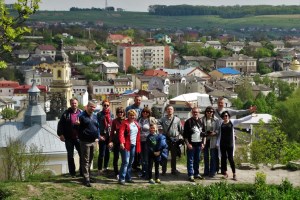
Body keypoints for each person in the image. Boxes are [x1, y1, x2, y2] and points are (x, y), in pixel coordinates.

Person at [214, 97, 257, 174]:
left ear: (224, 104)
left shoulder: (229, 112)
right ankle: (219, 170)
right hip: (219, 136)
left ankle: (230, 172)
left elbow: (238, 112)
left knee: (229, 157)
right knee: (220, 156)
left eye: (222, 103)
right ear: (217, 103)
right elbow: (203, 112)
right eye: (219, 103)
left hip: (228, 138)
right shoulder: (214, 111)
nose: (220, 104)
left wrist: (249, 111)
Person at [216, 111, 254, 181]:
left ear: (229, 116)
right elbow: (219, 133)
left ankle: (234, 174)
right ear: (222, 117)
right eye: (224, 116)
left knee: (231, 159)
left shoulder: (232, 122)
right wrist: (217, 143)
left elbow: (241, 120)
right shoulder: (220, 123)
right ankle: (225, 173)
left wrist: (251, 115)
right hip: (222, 144)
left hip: (230, 144)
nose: (225, 117)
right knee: (223, 159)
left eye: (226, 115)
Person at [57, 98, 83, 178]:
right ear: (70, 104)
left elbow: (86, 123)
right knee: (70, 156)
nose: (74, 104)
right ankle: (72, 173)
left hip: (79, 138)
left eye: (75, 103)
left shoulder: (81, 113)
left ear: (77, 104)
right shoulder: (66, 113)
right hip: (69, 138)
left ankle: (82, 172)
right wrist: (60, 134)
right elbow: (60, 124)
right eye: (72, 103)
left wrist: (80, 124)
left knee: (82, 155)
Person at [78, 101, 100, 187]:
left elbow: (97, 127)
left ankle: (89, 176)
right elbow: (77, 127)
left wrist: (97, 136)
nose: (92, 108)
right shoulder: (81, 116)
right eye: (91, 106)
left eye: (94, 107)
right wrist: (76, 125)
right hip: (85, 142)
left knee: (90, 160)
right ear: (87, 107)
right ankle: (86, 178)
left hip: (93, 141)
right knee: (85, 160)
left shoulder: (95, 116)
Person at [158, 104, 183, 175]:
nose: (169, 110)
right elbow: (157, 126)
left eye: (171, 109)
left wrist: (185, 138)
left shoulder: (177, 119)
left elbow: (181, 129)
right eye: (168, 109)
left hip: (175, 140)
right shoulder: (162, 119)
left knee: (174, 156)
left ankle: (173, 170)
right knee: (164, 156)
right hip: (166, 139)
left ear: (173, 110)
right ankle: (163, 170)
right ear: (166, 111)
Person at [118, 109, 141, 185]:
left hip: (133, 145)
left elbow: (138, 134)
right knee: (125, 162)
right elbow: (121, 133)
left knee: (130, 162)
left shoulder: (136, 124)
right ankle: (121, 178)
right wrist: (121, 142)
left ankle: (128, 177)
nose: (132, 116)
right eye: (130, 115)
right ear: (128, 115)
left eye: (133, 115)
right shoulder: (124, 123)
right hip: (126, 145)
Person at [183, 107, 205, 182]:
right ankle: (190, 175)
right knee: (190, 160)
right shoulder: (188, 122)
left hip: (199, 144)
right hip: (191, 144)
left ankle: (196, 173)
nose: (195, 113)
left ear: (199, 113)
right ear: (192, 113)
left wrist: (203, 143)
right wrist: (188, 144)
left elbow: (203, 134)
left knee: (197, 160)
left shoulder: (201, 122)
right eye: (194, 112)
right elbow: (185, 135)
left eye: (197, 112)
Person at [137, 107, 157, 178]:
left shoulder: (151, 120)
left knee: (146, 158)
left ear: (149, 113)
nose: (145, 113)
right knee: (142, 158)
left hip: (148, 141)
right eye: (144, 112)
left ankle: (147, 173)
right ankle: (143, 171)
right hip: (140, 141)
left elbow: (155, 129)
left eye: (147, 112)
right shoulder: (139, 119)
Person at [126, 96, 143, 171]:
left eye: (140, 100)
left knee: (137, 149)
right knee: (130, 150)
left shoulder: (142, 109)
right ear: (134, 100)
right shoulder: (129, 108)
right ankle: (130, 166)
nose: (138, 101)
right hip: (130, 129)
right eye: (137, 100)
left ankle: (136, 165)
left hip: (138, 130)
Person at [97, 100, 114, 175]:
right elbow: (96, 126)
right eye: (104, 105)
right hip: (102, 136)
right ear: (102, 106)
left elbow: (113, 125)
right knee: (101, 153)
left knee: (108, 152)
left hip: (109, 136)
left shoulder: (111, 114)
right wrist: (99, 136)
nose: (106, 107)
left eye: (107, 105)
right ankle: (99, 169)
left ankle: (105, 167)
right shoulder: (99, 114)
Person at [108, 106, 125, 179]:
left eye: (121, 112)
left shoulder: (126, 121)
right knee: (116, 157)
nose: (120, 113)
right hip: (116, 142)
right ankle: (116, 173)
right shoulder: (114, 121)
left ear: (123, 113)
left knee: (125, 158)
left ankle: (123, 172)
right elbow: (112, 132)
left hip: (124, 142)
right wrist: (110, 141)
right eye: (118, 112)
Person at [202, 106, 219, 177]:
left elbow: (218, 130)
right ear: (205, 112)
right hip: (205, 139)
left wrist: (214, 133)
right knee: (206, 156)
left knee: (213, 156)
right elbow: (201, 129)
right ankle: (206, 171)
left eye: (211, 111)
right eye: (208, 111)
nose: (209, 113)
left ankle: (213, 171)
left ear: (213, 112)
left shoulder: (216, 120)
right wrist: (204, 133)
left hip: (213, 139)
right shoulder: (202, 119)